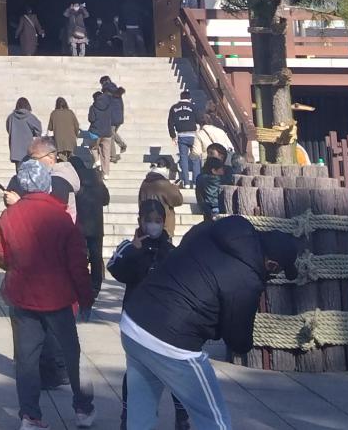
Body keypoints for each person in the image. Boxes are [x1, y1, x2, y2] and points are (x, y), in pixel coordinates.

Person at [113, 209, 301, 430]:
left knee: (140, 414)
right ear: (272, 265)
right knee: (214, 419)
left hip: (134, 319)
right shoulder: (248, 279)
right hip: (172, 342)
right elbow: (238, 339)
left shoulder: (215, 229)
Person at [0, 158, 97, 430]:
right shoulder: (61, 217)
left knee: (26, 360)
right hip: (58, 297)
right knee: (71, 353)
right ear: (47, 185)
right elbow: (77, 262)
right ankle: (83, 409)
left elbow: (0, 254)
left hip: (22, 297)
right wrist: (85, 298)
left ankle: (30, 416)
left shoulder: (8, 216)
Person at [67, 144, 110, 308]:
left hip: (80, 226)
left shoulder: (74, 182)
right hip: (97, 226)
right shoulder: (97, 179)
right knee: (96, 257)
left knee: (80, 258)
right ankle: (96, 285)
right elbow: (106, 200)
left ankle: (81, 285)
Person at [138, 165, 186, 240]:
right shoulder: (164, 184)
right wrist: (175, 188)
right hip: (163, 224)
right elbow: (178, 200)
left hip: (146, 223)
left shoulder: (144, 183)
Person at [195, 144, 229, 218]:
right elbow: (199, 195)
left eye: (212, 153)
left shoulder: (228, 172)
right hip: (209, 208)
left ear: (221, 156)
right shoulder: (202, 176)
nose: (209, 156)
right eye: (208, 154)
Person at [7, 98, 43, 165]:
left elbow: (8, 129)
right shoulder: (30, 116)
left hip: (16, 149)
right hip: (28, 149)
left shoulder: (11, 117)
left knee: (19, 172)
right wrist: (35, 135)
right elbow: (38, 128)